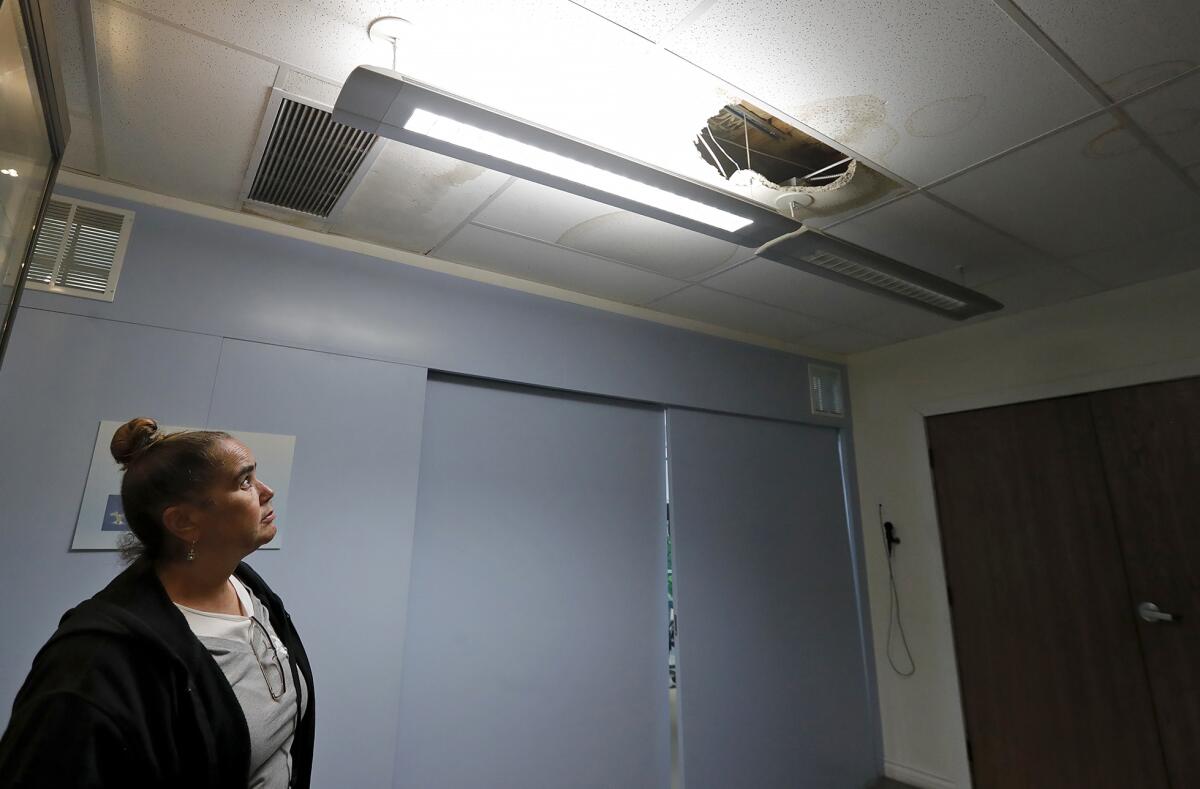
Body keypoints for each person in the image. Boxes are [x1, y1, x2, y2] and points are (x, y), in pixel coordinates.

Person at [0, 418, 315, 788]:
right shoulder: (95, 662)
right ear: (183, 522)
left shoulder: (249, 588)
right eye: (244, 481)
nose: (267, 490)